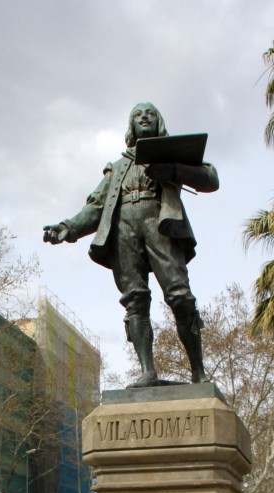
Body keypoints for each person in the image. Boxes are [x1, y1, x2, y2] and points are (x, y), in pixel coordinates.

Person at [43, 102, 219, 388]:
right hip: (123, 227)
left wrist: (173, 169)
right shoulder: (118, 167)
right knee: (135, 301)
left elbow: (211, 179)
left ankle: (198, 372)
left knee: (180, 297)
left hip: (159, 222)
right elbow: (96, 207)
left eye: (149, 113)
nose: (144, 118)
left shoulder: (171, 153)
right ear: (131, 126)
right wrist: (67, 228)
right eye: (137, 115)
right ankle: (147, 371)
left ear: (158, 121)